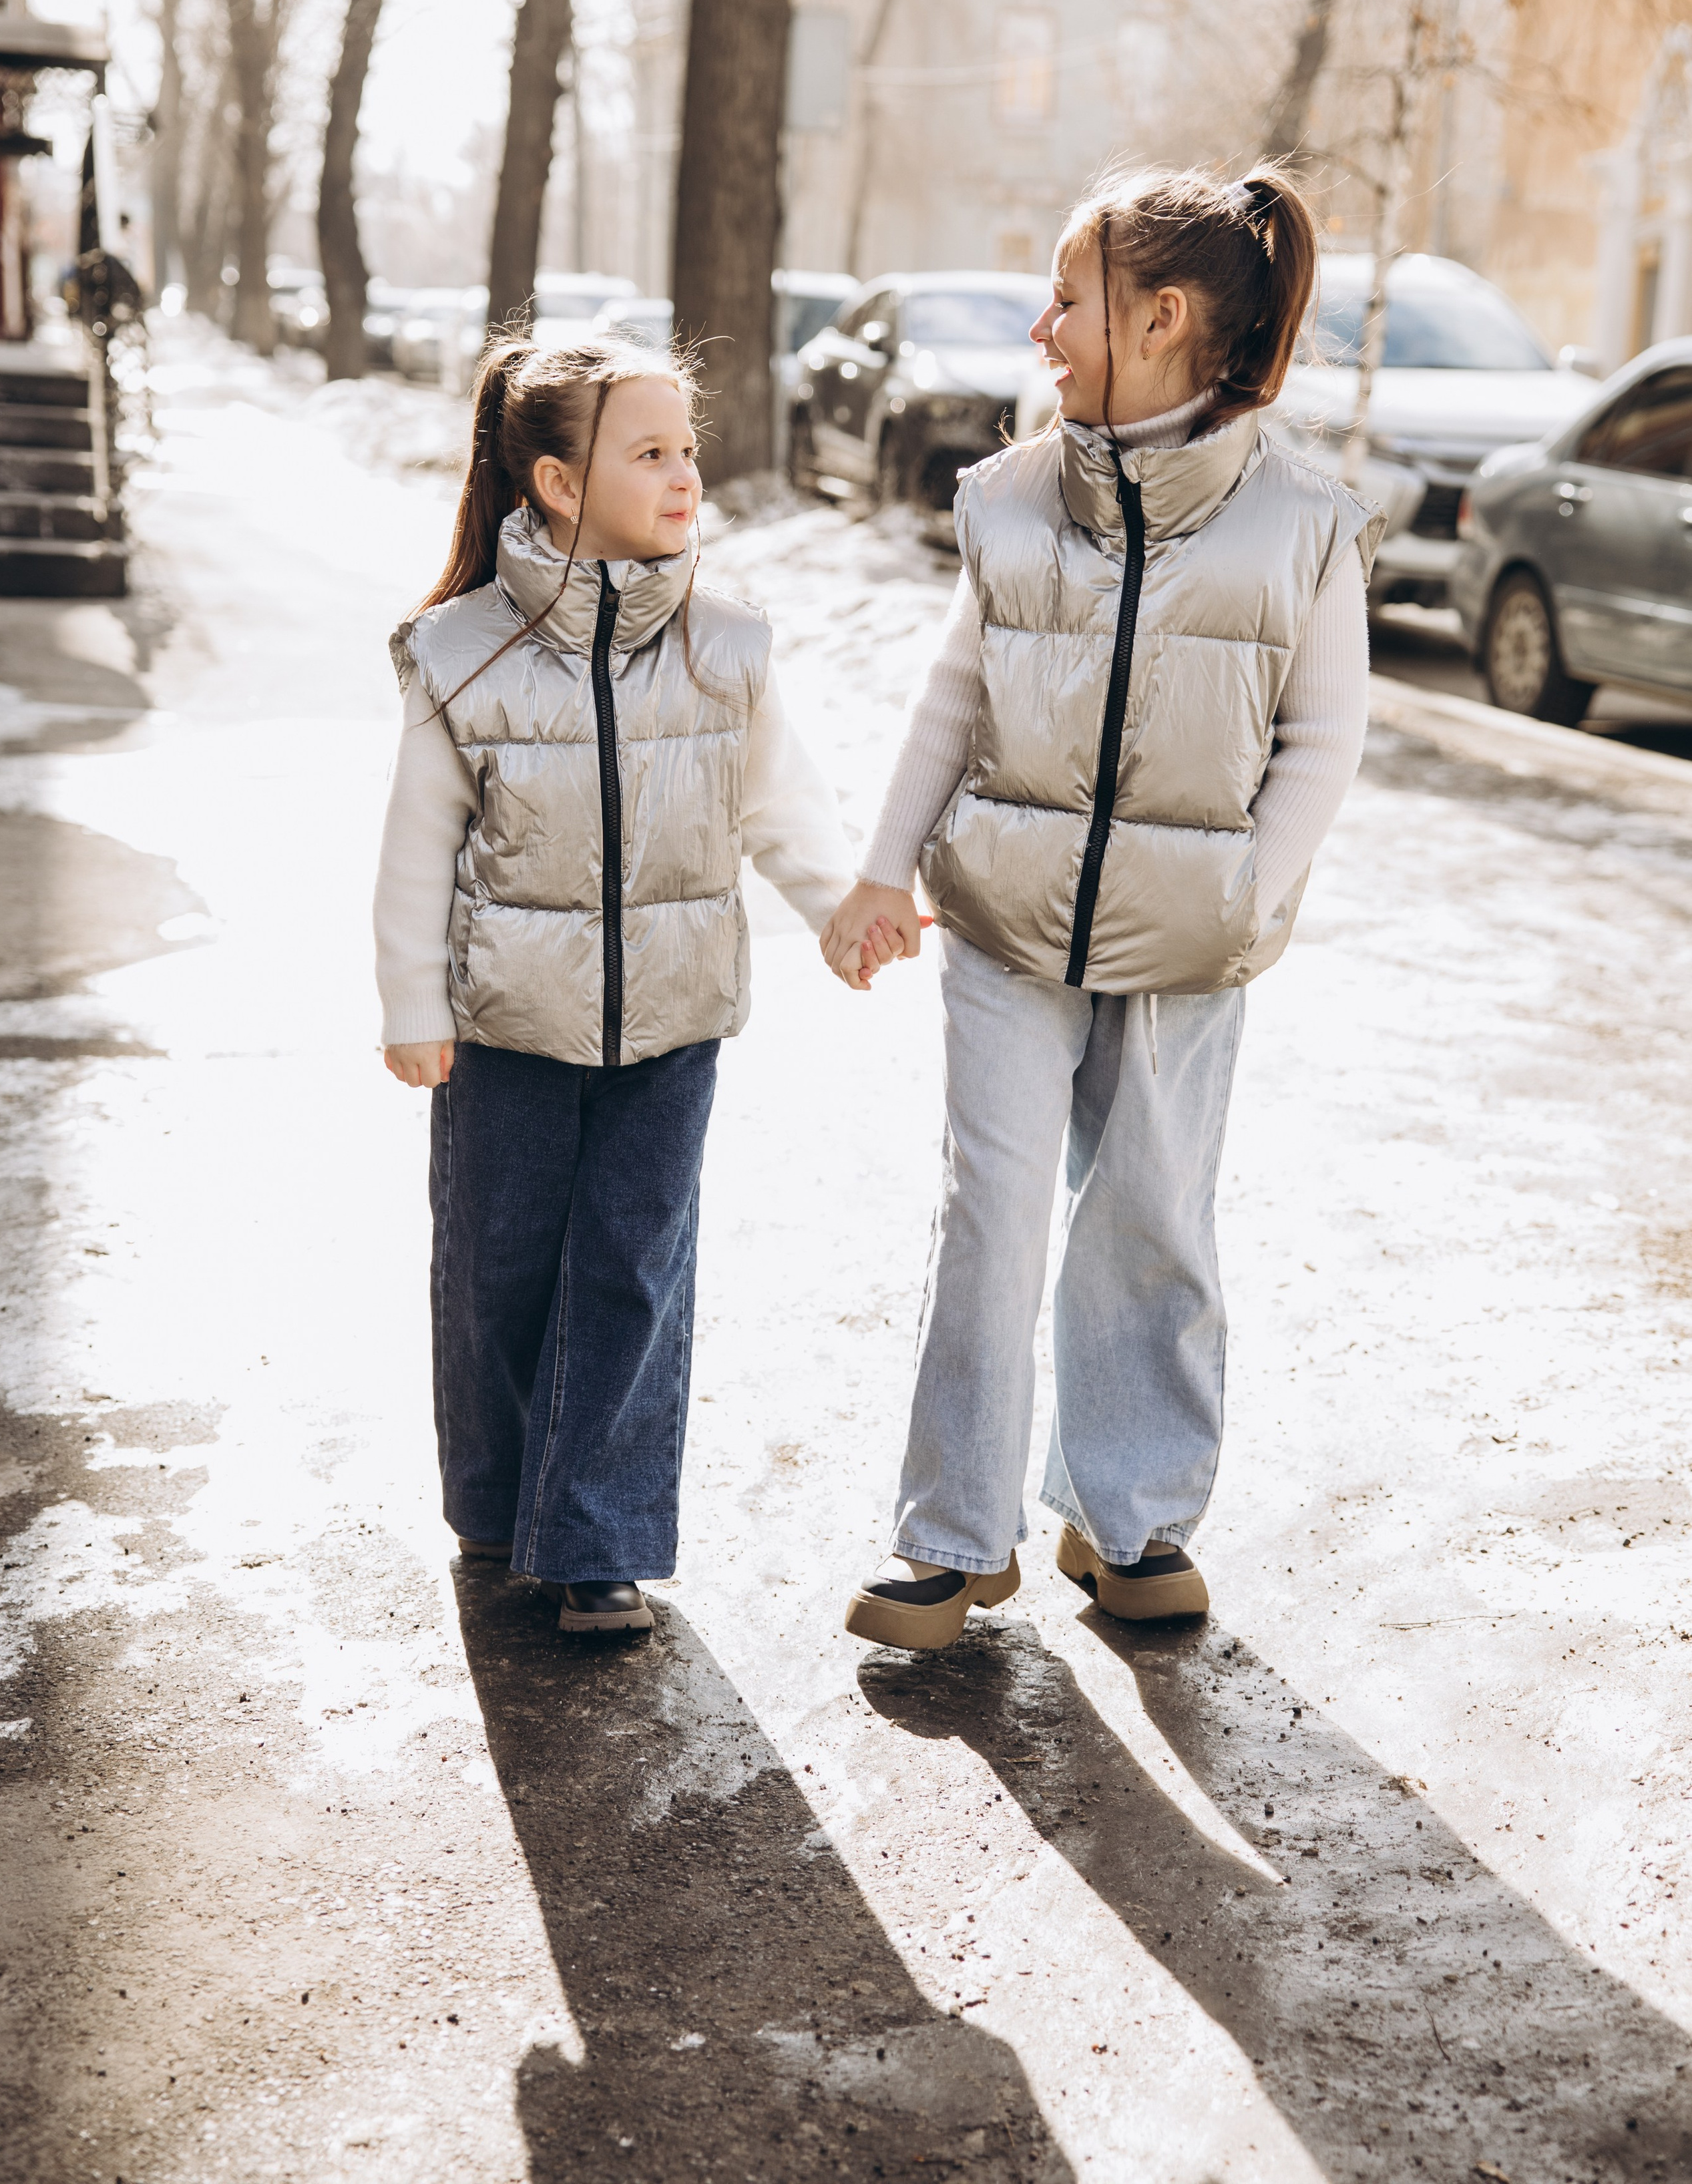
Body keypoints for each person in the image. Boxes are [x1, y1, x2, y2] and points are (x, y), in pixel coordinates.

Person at [821, 165, 1386, 1651]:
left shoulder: (1303, 525)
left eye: (1066, 300)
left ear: (1163, 318)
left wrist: (1243, 898)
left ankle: (1128, 1519)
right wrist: (883, 866)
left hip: (1187, 948)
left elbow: (1323, 737)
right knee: (991, 1215)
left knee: (1150, 1218)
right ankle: (952, 1537)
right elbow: (954, 694)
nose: (1041, 328)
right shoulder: (1014, 499)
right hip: (1004, 927)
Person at [375, 333, 860, 1634]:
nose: (684, 473)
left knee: (630, 1270)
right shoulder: (461, 652)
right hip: (504, 1028)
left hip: (673, 1024)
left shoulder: (723, 646)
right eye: (650, 452)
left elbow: (780, 806)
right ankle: (496, 1502)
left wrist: (840, 907)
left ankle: (596, 1541)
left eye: (686, 447)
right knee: (499, 1267)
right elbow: (418, 845)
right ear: (555, 481)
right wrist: (412, 1002)